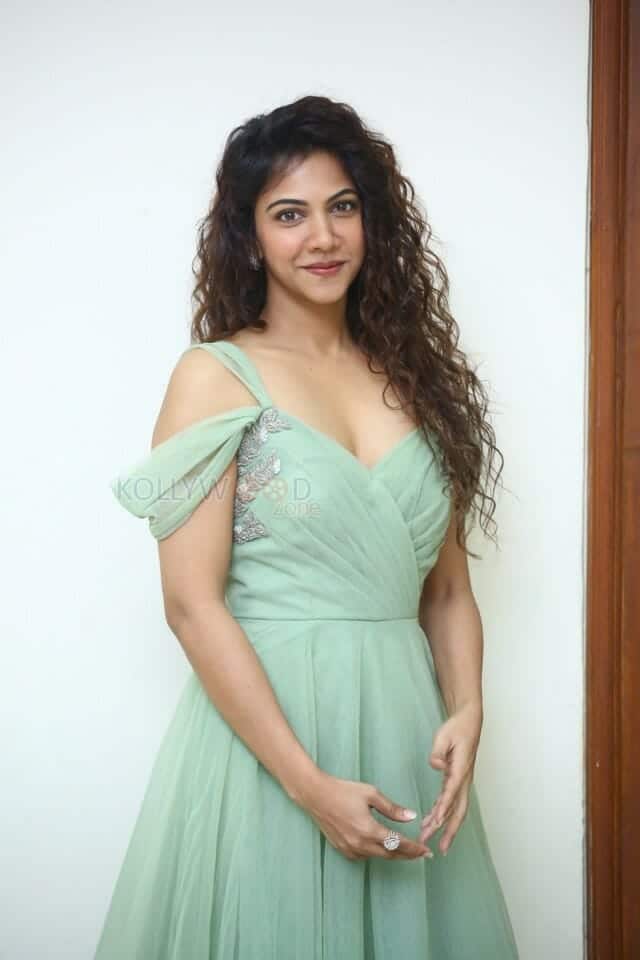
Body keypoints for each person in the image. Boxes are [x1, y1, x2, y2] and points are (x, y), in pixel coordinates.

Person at [95, 94, 520, 958]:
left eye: (342, 207)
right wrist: (307, 784)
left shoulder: (416, 379)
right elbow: (191, 605)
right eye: (289, 214)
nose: (322, 237)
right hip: (272, 746)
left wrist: (470, 707)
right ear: (251, 236)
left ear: (372, 221)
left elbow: (446, 592)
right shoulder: (216, 376)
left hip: (404, 732)